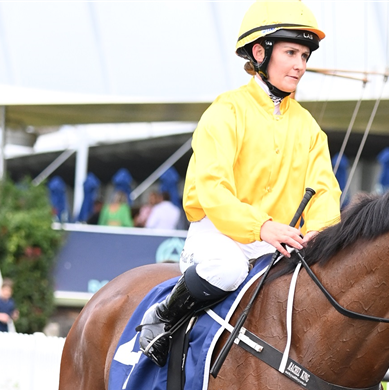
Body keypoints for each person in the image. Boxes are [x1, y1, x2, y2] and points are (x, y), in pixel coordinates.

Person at [138, 0, 342, 366]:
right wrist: (261, 227)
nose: (300, 65)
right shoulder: (225, 111)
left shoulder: (309, 127)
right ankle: (164, 315)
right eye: (291, 52)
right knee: (228, 269)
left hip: (279, 243)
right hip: (221, 238)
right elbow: (212, 189)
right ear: (260, 53)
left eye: (305, 56)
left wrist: (321, 232)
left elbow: (325, 190)